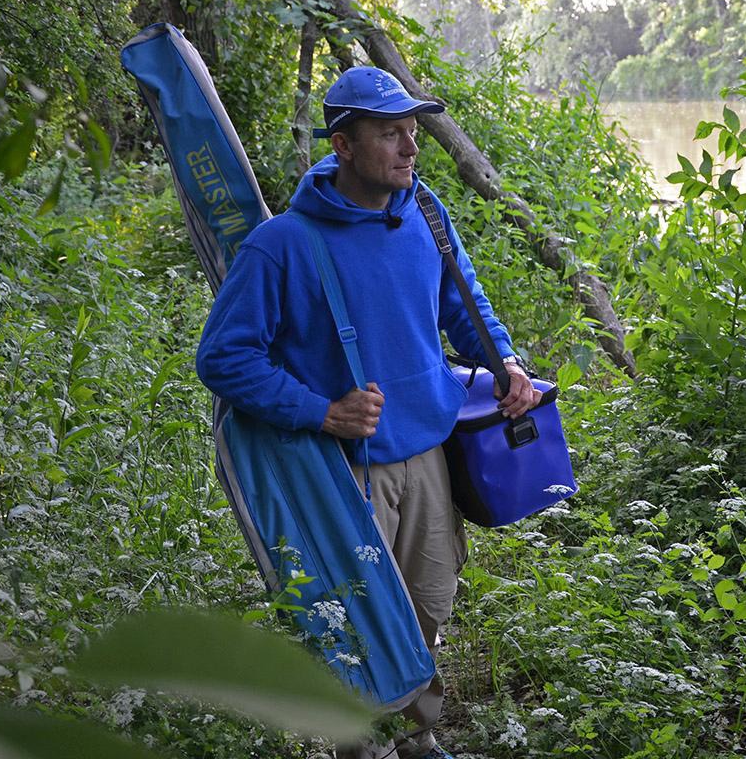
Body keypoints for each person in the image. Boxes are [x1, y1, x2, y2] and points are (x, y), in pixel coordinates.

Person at [195, 66, 540, 759]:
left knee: (426, 606)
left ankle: (418, 735)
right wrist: (321, 411)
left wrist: (505, 362)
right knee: (357, 615)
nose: (411, 148)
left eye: (413, 132)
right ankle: (357, 745)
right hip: (345, 469)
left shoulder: (425, 213)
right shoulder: (282, 244)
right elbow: (223, 359)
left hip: (429, 454)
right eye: (391, 133)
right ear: (344, 146)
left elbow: (462, 302)